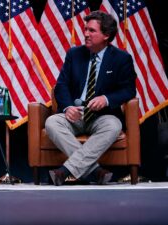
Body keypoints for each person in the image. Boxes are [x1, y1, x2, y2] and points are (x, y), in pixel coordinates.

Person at [45, 11, 137, 186]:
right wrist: (67, 108)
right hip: (75, 114)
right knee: (52, 122)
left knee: (114, 125)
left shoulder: (122, 59)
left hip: (102, 116)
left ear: (106, 35)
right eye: (85, 29)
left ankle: (64, 171)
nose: (86, 34)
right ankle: (95, 172)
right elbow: (61, 85)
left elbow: (128, 90)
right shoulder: (74, 54)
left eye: (91, 31)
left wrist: (107, 99)